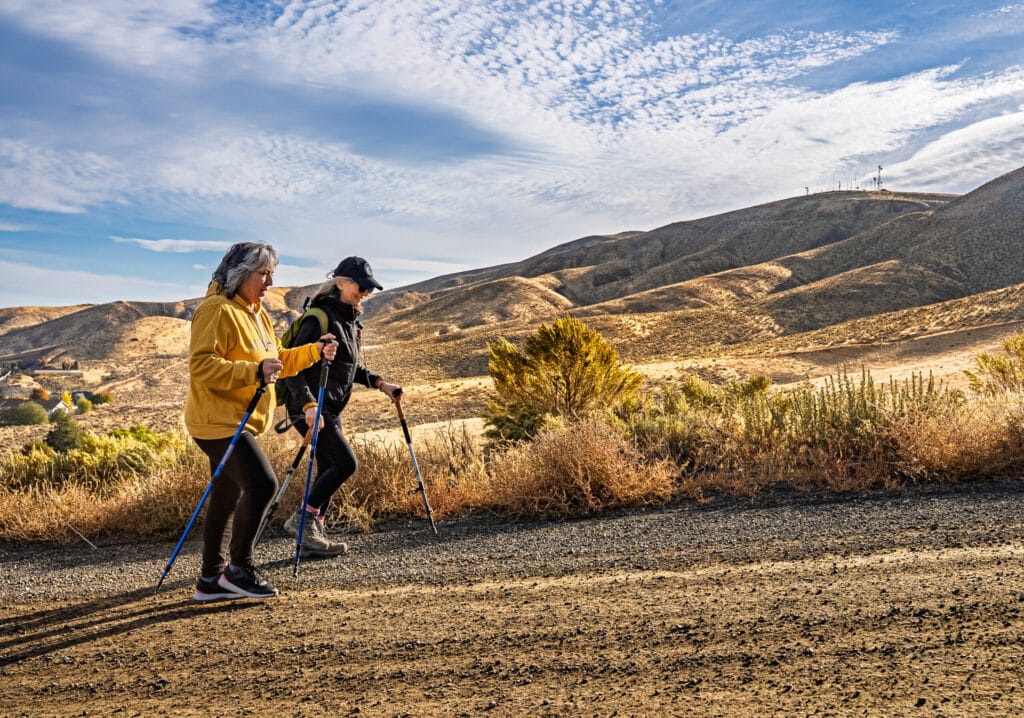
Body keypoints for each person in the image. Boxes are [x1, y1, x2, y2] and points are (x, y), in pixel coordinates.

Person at [184, 242, 337, 601]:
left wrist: (314, 352)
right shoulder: (216, 311)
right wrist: (253, 371)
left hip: (240, 420)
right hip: (217, 421)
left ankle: (210, 579)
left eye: (271, 274)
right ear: (240, 274)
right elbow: (202, 366)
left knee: (226, 494)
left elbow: (277, 358)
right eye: (263, 273)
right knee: (262, 484)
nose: (270, 282)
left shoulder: (256, 313)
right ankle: (238, 570)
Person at [281, 256, 401, 557]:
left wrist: (380, 383)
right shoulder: (318, 318)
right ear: (341, 282)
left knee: (329, 467)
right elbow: (291, 367)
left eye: (369, 288)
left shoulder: (350, 322)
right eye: (361, 286)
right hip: (310, 406)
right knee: (346, 464)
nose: (366, 293)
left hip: (330, 407)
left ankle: (314, 535)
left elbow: (349, 368)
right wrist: (309, 405)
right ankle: (302, 521)